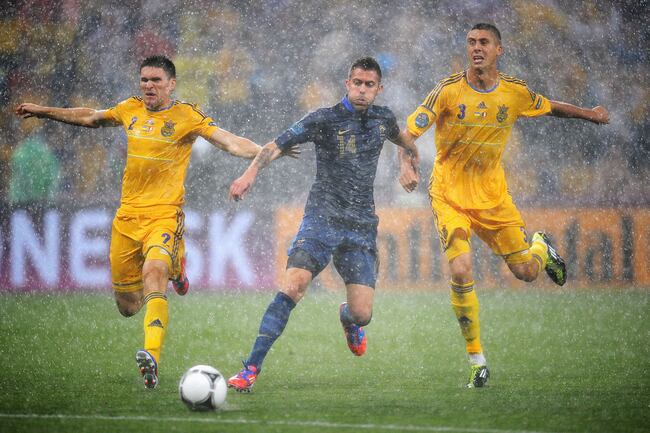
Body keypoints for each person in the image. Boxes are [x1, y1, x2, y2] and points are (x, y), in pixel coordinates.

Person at [14, 55, 281, 390]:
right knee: (128, 307)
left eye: (156, 81)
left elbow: (228, 141)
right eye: (144, 80)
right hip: (127, 218)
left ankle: (151, 356)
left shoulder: (187, 115)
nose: (149, 86)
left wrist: (266, 152)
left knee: (154, 274)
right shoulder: (130, 109)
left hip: (164, 215)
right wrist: (43, 110)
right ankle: (178, 265)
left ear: (171, 84)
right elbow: (91, 117)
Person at [397, 23, 609, 388]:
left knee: (526, 272)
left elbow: (551, 107)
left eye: (484, 43)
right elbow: (409, 132)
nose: (476, 48)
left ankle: (541, 246)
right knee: (461, 269)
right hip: (449, 195)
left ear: (499, 50)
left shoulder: (514, 93)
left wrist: (589, 114)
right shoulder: (447, 90)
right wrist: (406, 162)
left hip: (493, 198)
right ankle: (477, 360)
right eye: (471, 42)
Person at [227, 57, 419, 392]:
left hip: (360, 226)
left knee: (362, 314)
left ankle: (348, 318)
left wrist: (407, 164)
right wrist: (249, 175)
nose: (362, 90)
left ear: (379, 88)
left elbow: (407, 142)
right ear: (347, 84)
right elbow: (275, 145)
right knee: (293, 286)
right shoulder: (324, 119)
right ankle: (250, 368)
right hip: (322, 219)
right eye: (356, 83)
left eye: (369, 85)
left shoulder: (383, 119)